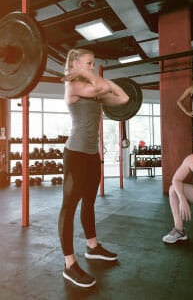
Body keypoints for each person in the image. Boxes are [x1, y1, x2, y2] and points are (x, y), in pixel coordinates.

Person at [58, 48, 129, 288]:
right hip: (75, 153)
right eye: (88, 64)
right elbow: (101, 88)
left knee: (89, 201)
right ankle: (69, 264)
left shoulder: (93, 90)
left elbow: (123, 99)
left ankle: (92, 246)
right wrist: (101, 81)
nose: (92, 67)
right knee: (69, 207)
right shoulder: (74, 86)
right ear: (76, 63)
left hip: (91, 154)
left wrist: (104, 82)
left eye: (93, 63)